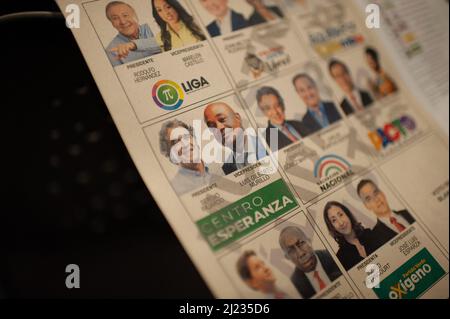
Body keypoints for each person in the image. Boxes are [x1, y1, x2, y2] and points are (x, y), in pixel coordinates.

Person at [323, 201, 393, 271]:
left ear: (348, 215)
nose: (341, 222)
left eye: (341, 215)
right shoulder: (341, 258)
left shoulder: (371, 234)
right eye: (334, 220)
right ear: (332, 227)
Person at [279, 226, 342, 298]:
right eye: (291, 250)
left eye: (301, 243)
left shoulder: (334, 257)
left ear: (309, 241)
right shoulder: (295, 286)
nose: (301, 254)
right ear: (287, 257)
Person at [204, 102, 264, 175]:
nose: (219, 127)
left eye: (222, 119)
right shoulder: (227, 169)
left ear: (237, 118)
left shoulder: (270, 144)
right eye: (212, 126)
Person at [159, 119, 212, 195]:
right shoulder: (174, 190)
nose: (185, 144)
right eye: (176, 142)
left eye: (187, 137)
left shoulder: (222, 167)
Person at [105, 1, 161, 66]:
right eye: (115, 18)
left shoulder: (156, 27)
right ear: (112, 23)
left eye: (125, 15)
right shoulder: (111, 50)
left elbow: (168, 42)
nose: (122, 22)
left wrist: (134, 45)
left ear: (135, 16)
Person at [256, 86, 310, 151]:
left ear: (282, 105)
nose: (275, 112)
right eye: (268, 108)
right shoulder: (265, 140)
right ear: (263, 112)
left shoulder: (299, 124)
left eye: (277, 105)